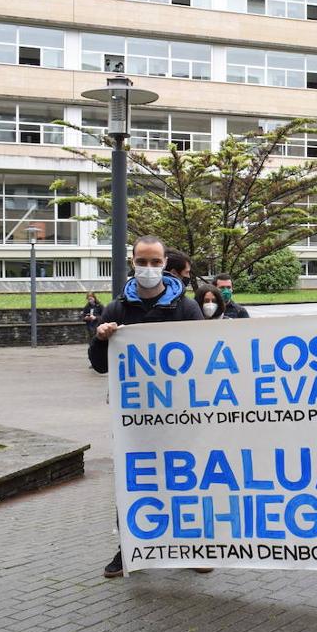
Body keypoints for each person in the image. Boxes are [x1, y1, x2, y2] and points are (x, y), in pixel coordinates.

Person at [89, 235, 204, 579]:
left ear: (165, 264)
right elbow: (99, 365)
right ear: (133, 262)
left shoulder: (186, 309)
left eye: (156, 262)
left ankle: (193, 546)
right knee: (135, 480)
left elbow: (203, 357)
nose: (149, 268)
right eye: (143, 261)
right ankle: (130, 547)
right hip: (135, 419)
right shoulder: (116, 309)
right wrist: (101, 338)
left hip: (180, 414)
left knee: (184, 480)